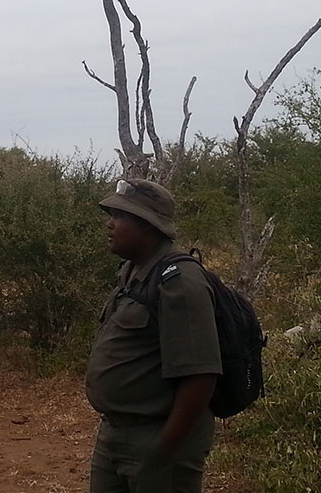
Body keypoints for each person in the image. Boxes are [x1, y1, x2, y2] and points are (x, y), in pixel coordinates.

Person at [85, 178, 221, 493]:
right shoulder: (132, 271)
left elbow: (200, 377)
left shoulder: (180, 281)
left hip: (159, 436)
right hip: (115, 434)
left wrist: (162, 449)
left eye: (119, 217)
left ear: (147, 225)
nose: (110, 225)